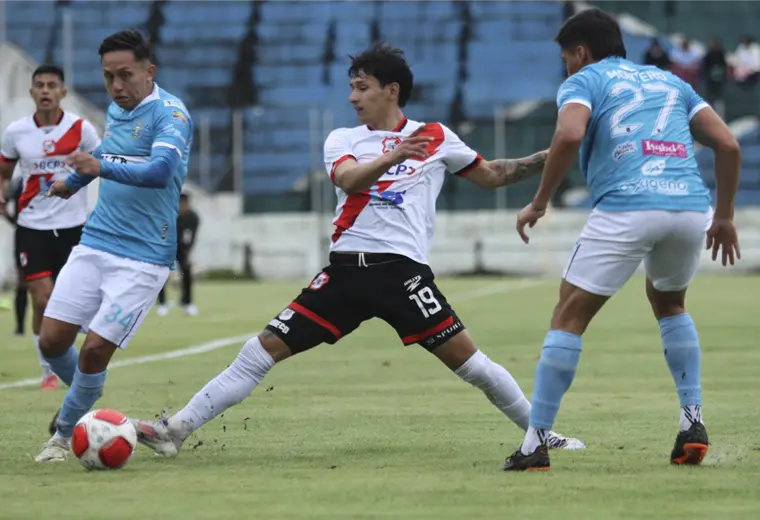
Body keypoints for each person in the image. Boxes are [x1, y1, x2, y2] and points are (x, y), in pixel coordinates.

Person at [130, 44, 585, 461]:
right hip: (344, 273)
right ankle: (177, 430)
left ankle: (541, 433)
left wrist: (557, 150)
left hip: (400, 275)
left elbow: (494, 174)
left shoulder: (435, 136)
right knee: (259, 350)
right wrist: (394, 156)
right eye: (351, 87)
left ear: (391, 90)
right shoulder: (342, 140)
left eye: (361, 87)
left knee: (472, 365)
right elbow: (349, 181)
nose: (352, 97)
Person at [502, 9, 741, 471]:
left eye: (566, 58)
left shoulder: (584, 79)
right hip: (690, 207)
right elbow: (728, 145)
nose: (566, 67)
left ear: (580, 52)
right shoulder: (671, 82)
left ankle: (534, 445)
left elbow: (570, 133)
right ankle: (692, 422)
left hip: (628, 206)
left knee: (568, 313)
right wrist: (725, 216)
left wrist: (539, 201)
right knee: (670, 304)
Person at [34, 29, 193, 462]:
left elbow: (160, 170)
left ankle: (64, 433)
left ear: (149, 71)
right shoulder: (117, 110)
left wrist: (99, 166)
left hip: (143, 257)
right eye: (108, 77)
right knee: (50, 341)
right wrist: (74, 181)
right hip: (96, 241)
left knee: (95, 349)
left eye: (126, 75)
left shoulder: (171, 115)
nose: (117, 86)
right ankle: (88, 396)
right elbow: (108, 152)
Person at [0, 64, 100, 389]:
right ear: (31, 91)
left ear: (62, 92)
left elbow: (101, 165)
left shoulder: (81, 129)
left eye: (51, 85)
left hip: (72, 227)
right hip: (31, 227)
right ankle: (49, 370)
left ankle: (71, 357)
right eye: (39, 85)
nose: (45, 90)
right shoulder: (16, 132)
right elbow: (4, 172)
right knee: (42, 299)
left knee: (73, 301)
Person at [156, 192, 200, 316]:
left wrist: (188, 253)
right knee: (161, 274)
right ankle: (162, 303)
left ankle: (187, 302)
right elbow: (163, 230)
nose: (182, 207)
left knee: (187, 272)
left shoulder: (193, 217)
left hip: (182, 248)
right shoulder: (169, 215)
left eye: (185, 204)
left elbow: (192, 237)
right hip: (167, 247)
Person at [1, 176, 29, 336]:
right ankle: (20, 327)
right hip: (24, 236)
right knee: (22, 281)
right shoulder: (19, 182)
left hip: (52, 235)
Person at [702, 38, 728, 119]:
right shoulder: (708, 55)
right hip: (710, 82)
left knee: (719, 100)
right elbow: (704, 68)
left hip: (719, 82)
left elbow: (724, 67)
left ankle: (720, 118)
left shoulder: (721, 55)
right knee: (709, 99)